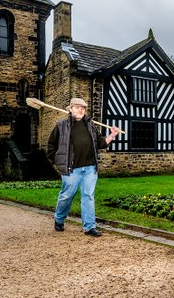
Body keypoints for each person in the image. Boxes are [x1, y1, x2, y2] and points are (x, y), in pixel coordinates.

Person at [47, 97, 120, 237]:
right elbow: (51, 146)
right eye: (78, 107)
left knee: (88, 196)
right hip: (70, 170)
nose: (81, 109)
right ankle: (59, 219)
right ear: (70, 109)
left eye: (83, 108)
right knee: (66, 196)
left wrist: (112, 135)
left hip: (90, 169)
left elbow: (100, 143)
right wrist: (56, 162)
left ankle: (89, 227)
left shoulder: (90, 125)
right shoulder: (61, 125)